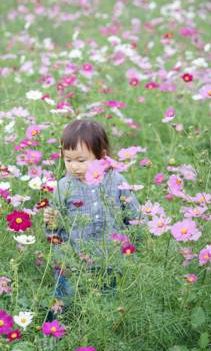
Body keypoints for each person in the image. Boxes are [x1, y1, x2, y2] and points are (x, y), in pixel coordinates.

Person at [43, 119, 142, 316]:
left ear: (102, 156)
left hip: (110, 260)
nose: (74, 167)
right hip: (73, 260)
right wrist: (51, 223)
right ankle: (54, 334)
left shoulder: (116, 180)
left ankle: (101, 331)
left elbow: (134, 215)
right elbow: (55, 231)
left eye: (81, 160)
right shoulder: (64, 186)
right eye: (68, 160)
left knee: (108, 303)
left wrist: (139, 242)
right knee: (64, 301)